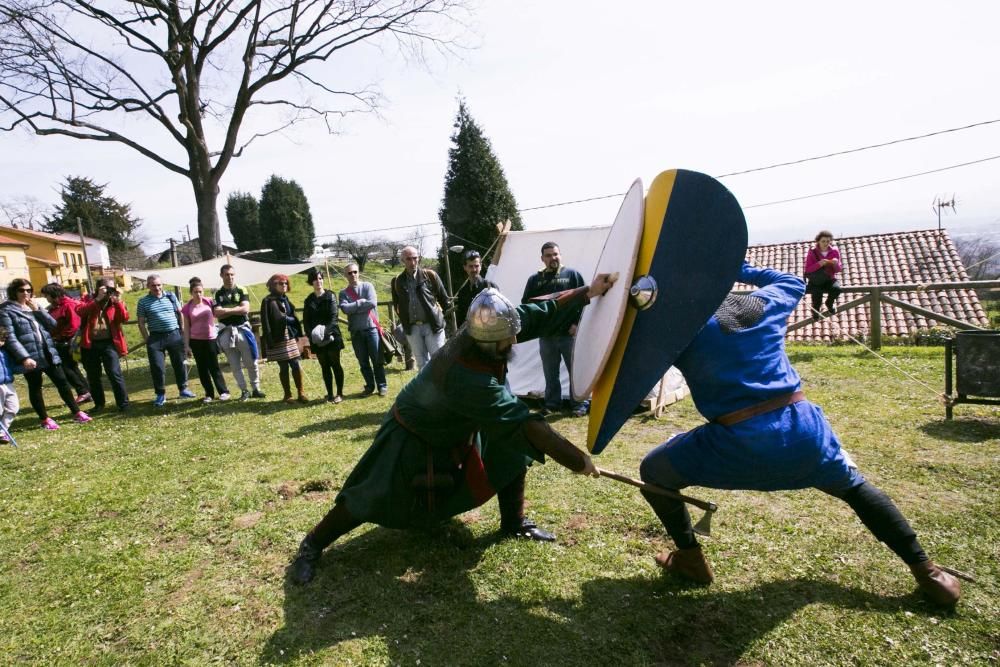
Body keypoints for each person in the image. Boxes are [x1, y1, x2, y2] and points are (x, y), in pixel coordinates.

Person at [637, 262, 960, 607]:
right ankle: (929, 574)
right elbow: (791, 280)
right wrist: (735, 265)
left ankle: (690, 559)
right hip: (802, 429)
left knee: (654, 472)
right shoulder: (762, 302)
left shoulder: (679, 329)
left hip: (738, 441)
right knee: (855, 487)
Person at [290, 274, 616, 585]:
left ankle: (513, 522)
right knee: (370, 494)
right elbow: (526, 424)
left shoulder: (491, 329)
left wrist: (588, 291)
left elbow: (534, 312)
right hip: (414, 429)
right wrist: (579, 461)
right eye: (509, 338)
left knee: (509, 449)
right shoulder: (468, 375)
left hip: (459, 419)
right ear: (490, 343)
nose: (515, 338)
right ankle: (312, 544)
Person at [0, 278, 90, 429]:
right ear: (14, 292)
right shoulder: (6, 311)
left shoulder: (33, 307)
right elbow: (10, 338)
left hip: (47, 351)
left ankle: (77, 412)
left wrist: (38, 310)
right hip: (30, 356)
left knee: (62, 382)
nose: (26, 293)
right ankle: (45, 419)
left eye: (29, 290)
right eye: (22, 290)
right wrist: (24, 357)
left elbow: (52, 325)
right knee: (35, 387)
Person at [521, 241, 587, 416]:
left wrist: (576, 324)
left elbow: (585, 301)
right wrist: (537, 327)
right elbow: (527, 306)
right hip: (547, 336)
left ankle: (579, 405)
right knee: (551, 374)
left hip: (568, 334)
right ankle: (552, 404)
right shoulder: (535, 280)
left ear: (560, 255)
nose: (553, 258)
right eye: (549, 255)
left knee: (575, 372)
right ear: (542, 259)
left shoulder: (572, 275)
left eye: (556, 254)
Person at [137, 274, 193, 407]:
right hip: (155, 338)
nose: (156, 288)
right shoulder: (143, 302)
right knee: (157, 367)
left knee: (179, 363)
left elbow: (181, 314)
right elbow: (140, 323)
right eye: (153, 285)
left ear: (162, 285)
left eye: (158, 285)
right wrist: (147, 339)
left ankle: (183, 389)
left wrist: (182, 332)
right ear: (148, 286)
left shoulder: (171, 297)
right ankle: (160, 394)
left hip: (174, 335)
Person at [391, 245, 449, 370]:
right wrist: (405, 321)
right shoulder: (397, 281)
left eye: (415, 258)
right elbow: (397, 305)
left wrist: (439, 317)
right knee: (422, 364)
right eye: (408, 259)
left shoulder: (430, 275)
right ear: (402, 261)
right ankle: (428, 390)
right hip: (413, 329)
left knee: (439, 360)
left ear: (419, 258)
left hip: (432, 326)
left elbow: (444, 299)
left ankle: (442, 389)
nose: (413, 262)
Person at [76, 277, 130, 412]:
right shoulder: (89, 300)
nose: (109, 291)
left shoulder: (115, 302)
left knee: (114, 373)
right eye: (106, 288)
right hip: (90, 344)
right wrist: (98, 299)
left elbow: (123, 318)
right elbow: (80, 311)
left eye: (111, 288)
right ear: (98, 288)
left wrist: (117, 302)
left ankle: (123, 403)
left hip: (109, 344)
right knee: (93, 376)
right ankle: (99, 404)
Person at [214, 264, 264, 400]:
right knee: (234, 364)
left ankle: (256, 388)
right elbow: (217, 313)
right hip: (226, 332)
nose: (229, 277)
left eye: (232, 274)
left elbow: (245, 309)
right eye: (226, 274)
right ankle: (244, 390)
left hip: (242, 329)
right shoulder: (218, 293)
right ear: (221, 276)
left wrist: (226, 310)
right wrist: (235, 309)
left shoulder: (242, 289)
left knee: (251, 361)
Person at [339, 263, 387, 397]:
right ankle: (370, 386)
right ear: (346, 275)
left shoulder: (368, 286)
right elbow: (344, 309)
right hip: (356, 332)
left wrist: (353, 308)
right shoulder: (343, 293)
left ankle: (382, 386)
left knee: (377, 360)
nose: (353, 275)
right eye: (349, 273)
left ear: (358, 272)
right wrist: (360, 303)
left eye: (355, 272)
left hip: (371, 329)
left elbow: (372, 303)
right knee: (363, 362)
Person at [39, 283, 90, 404]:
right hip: (58, 341)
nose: (46, 298)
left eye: (47, 295)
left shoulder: (68, 305)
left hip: (68, 342)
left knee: (66, 368)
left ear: (53, 295)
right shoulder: (53, 307)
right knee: (71, 368)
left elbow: (74, 325)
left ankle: (83, 391)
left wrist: (59, 337)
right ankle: (86, 392)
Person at [260, 273, 307, 403]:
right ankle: (287, 394)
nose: (284, 285)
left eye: (286, 283)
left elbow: (293, 318)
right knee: (284, 367)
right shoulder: (268, 301)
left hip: (290, 337)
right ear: (274, 285)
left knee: (296, 364)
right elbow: (266, 322)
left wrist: (289, 320)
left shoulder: (286, 300)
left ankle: (301, 392)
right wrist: (269, 340)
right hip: (277, 339)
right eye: (281, 283)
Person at [182, 277, 230, 403]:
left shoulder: (209, 301)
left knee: (214, 366)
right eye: (195, 292)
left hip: (210, 340)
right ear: (191, 293)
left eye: (200, 291)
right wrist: (186, 345)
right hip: (196, 341)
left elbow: (219, 313)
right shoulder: (187, 307)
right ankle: (209, 394)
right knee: (202, 368)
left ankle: (223, 391)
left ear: (203, 291)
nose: (198, 294)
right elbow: (186, 327)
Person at [303, 268, 346, 404]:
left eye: (320, 278)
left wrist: (325, 334)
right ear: (311, 282)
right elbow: (306, 321)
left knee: (335, 364)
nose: (318, 281)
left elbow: (334, 318)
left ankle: (339, 393)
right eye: (315, 279)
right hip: (316, 339)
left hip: (332, 336)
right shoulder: (308, 300)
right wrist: (313, 336)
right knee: (324, 366)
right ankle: (330, 394)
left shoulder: (330, 296)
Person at [803, 230, 843, 318]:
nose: (826, 243)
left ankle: (829, 303)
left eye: (828, 241)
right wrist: (819, 264)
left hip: (829, 278)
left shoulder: (834, 251)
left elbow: (838, 270)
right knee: (817, 294)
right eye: (823, 241)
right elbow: (808, 269)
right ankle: (816, 311)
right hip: (816, 279)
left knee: (837, 289)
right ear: (818, 241)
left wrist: (835, 263)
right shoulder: (812, 252)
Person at [453, 249, 497, 328]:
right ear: (465, 267)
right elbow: (461, 319)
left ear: (480, 266)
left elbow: (498, 313)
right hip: (470, 334)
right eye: (470, 266)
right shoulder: (463, 292)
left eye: (476, 266)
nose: (474, 269)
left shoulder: (491, 287)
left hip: (489, 333)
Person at [0, 326, 20, 445]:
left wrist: (24, 368)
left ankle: (2, 431)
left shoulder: (4, 352)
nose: (1, 342)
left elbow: (11, 366)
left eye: (2, 339)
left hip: (8, 383)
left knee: (14, 407)